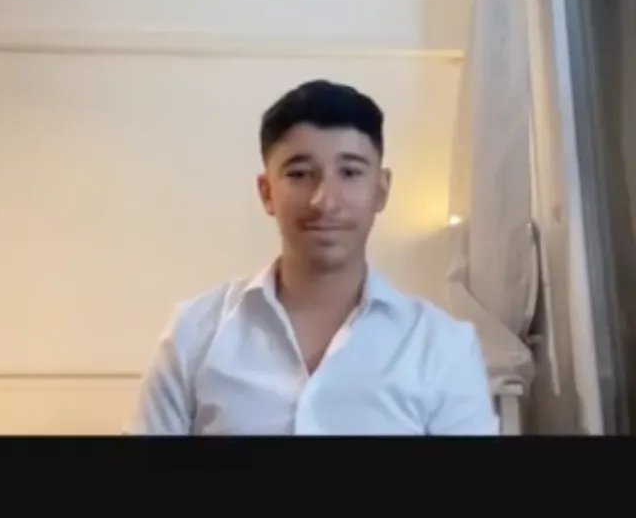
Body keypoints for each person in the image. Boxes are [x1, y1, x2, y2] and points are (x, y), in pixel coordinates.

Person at [128, 80, 497, 436]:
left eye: (350, 172)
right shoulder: (193, 333)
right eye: (300, 174)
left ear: (381, 190)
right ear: (266, 192)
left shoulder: (443, 347)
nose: (324, 200)